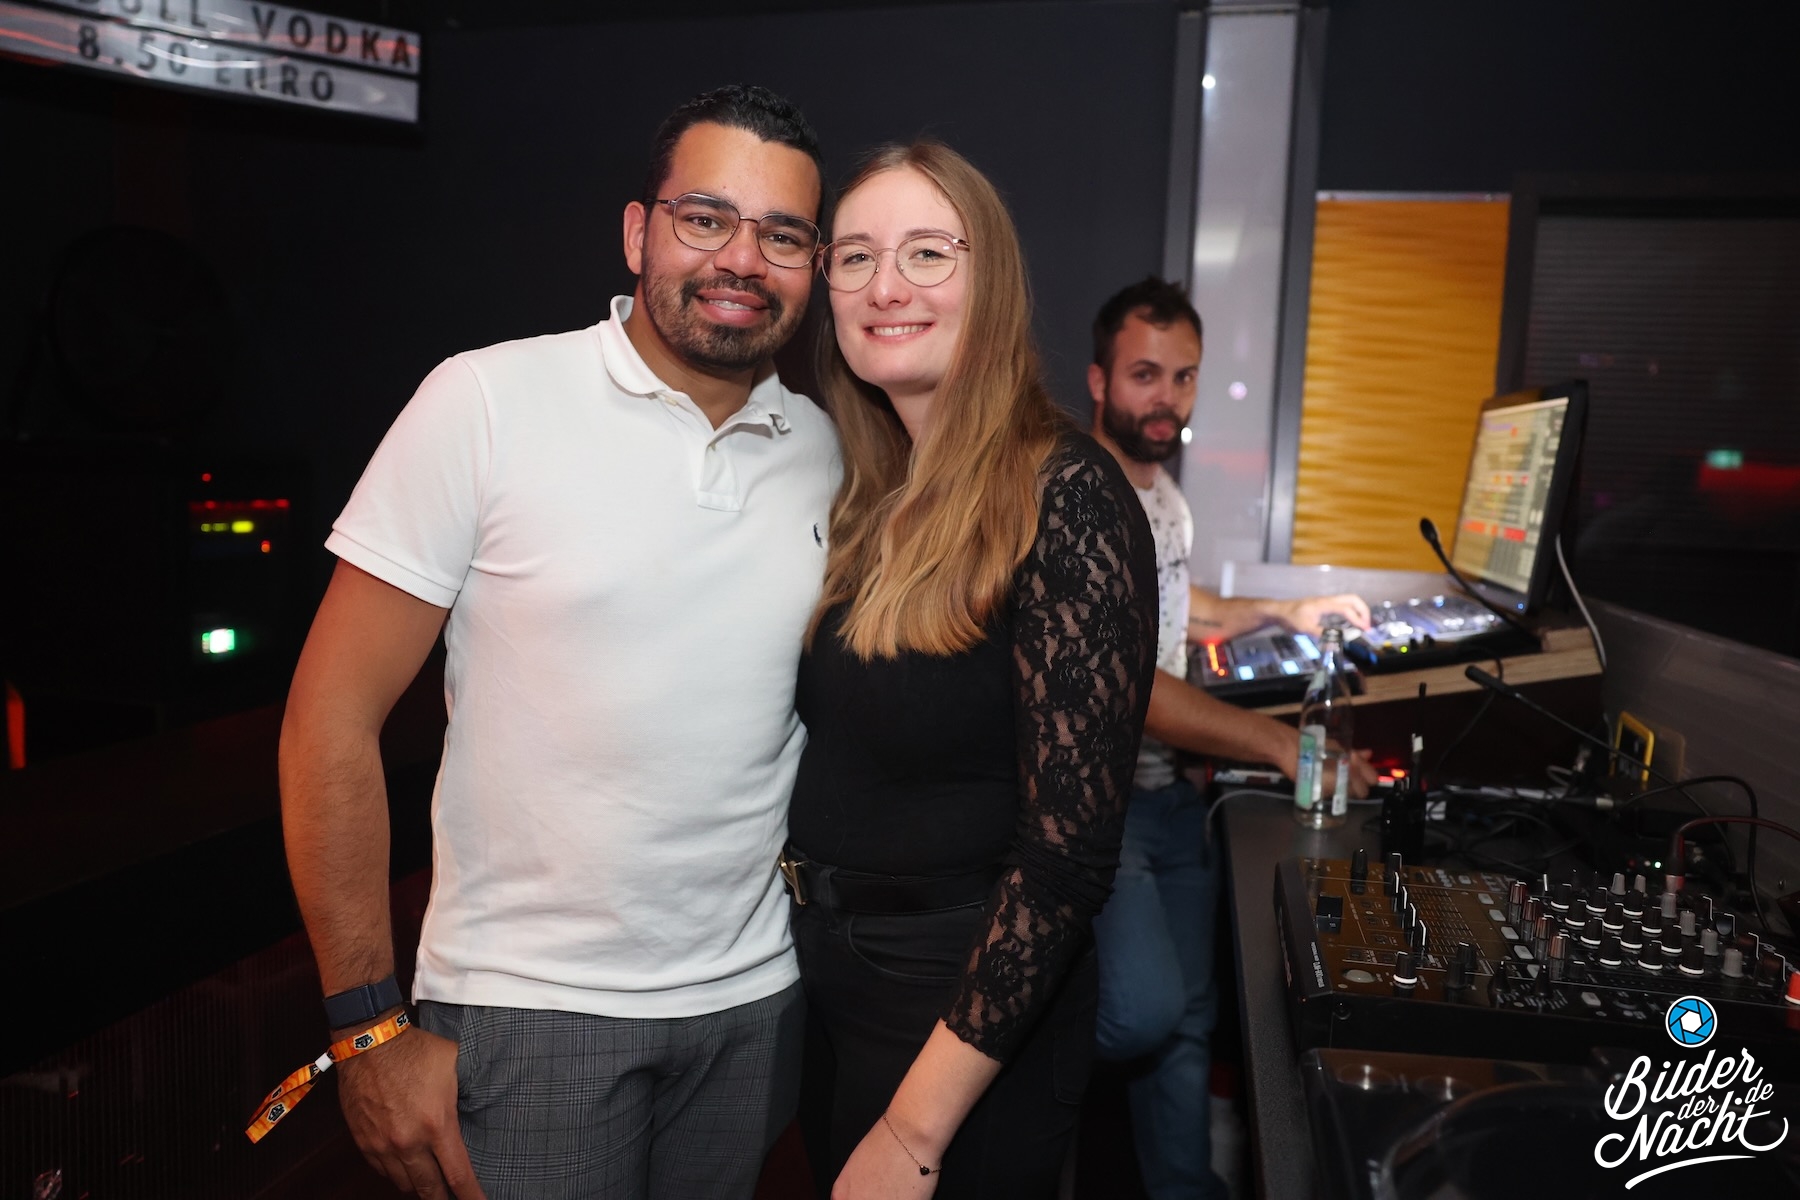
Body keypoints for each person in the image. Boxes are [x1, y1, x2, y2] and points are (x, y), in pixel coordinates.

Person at [278, 85, 839, 1200]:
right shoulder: (486, 401)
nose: (742, 258)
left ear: (814, 266)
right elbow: (328, 722)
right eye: (707, 218)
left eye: (782, 235)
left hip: (754, 1009)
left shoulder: (825, 448)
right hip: (526, 1016)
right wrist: (365, 1026)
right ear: (638, 232)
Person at [782, 141, 1158, 1200]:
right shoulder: (876, 494)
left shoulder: (1068, 495)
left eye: (926, 253)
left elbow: (1066, 863)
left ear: (990, 279)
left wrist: (914, 1133)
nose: (885, 287)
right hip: (835, 979)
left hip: (959, 1011)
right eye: (855, 257)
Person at [1085, 276, 1377, 1200]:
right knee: (1140, 1014)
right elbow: (1133, 688)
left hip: (1175, 799)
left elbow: (1185, 601)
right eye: (1145, 374)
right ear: (1098, 381)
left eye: (1184, 377)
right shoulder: (1083, 497)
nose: (1166, 398)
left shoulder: (1165, 499)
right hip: (1103, 808)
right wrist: (1282, 746)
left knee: (1190, 1019)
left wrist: (1284, 610)